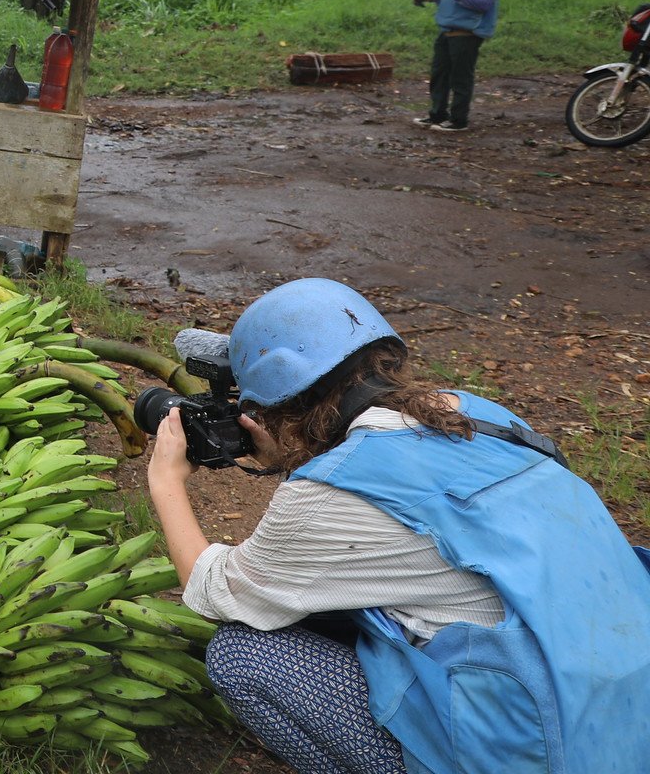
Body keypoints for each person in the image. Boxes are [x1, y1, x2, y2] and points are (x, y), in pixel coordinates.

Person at [146, 277, 650, 774]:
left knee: (244, 657)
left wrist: (166, 480)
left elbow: (212, 589)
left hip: (539, 749)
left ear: (273, 409)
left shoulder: (335, 492)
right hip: (622, 710)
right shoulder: (476, 413)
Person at [411, 0, 502, 133]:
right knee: (439, 74)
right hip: (448, 28)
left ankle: (459, 120)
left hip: (467, 32)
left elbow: (483, 4)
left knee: (460, 77)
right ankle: (437, 114)